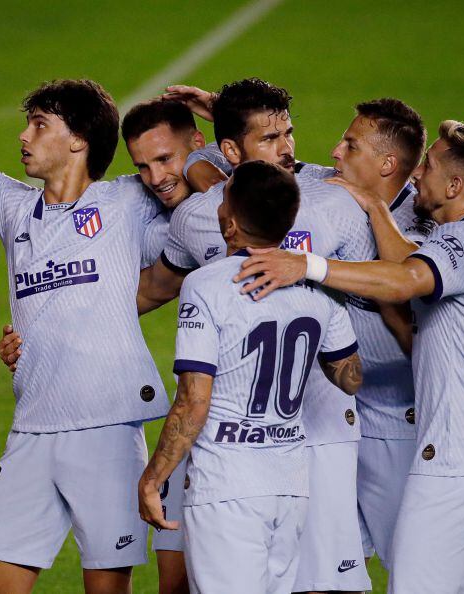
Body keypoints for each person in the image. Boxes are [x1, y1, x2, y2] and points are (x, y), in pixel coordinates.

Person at [0, 4, 168, 593]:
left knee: (105, 589)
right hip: (32, 429)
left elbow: (206, 190)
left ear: (78, 141)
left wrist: (208, 124)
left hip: (108, 425)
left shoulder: (127, 202)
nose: (23, 136)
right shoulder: (13, 206)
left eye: (40, 124)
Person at [234, 120, 464, 593]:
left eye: (429, 165)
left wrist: (308, 265)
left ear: (454, 185)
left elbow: (406, 281)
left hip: (457, 461)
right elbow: (411, 258)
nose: (417, 172)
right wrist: (378, 207)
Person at [177, 95, 434, 572]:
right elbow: (205, 163)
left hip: (396, 416)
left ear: (386, 164)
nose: (333, 151)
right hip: (317, 421)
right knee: (309, 569)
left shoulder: (392, 213)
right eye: (274, 136)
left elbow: (404, 291)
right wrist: (227, 111)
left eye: (350, 145)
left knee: (419, 571)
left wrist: (314, 262)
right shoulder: (304, 188)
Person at [146, 78, 377, 593]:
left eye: (289, 134)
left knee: (329, 584)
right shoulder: (197, 215)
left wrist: (314, 266)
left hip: (313, 440)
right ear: (231, 150)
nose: (288, 148)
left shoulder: (332, 195)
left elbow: (388, 277)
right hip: (271, 454)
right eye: (270, 139)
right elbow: (154, 287)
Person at [0, 96, 206, 594]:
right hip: (162, 424)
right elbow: (142, 287)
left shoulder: (222, 215)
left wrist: (222, 116)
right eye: (143, 166)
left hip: (214, 430)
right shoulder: (156, 216)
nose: (154, 177)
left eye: (164, 160)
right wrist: (47, 328)